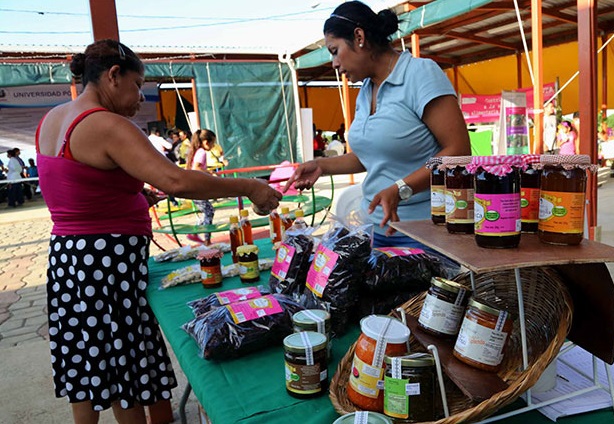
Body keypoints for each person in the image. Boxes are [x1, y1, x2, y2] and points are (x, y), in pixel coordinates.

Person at [35, 39, 281, 424]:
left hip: (70, 262)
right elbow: (176, 180)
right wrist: (250, 187)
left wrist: (133, 199)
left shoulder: (54, 118)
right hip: (106, 267)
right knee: (126, 372)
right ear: (114, 76)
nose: (139, 98)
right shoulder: (106, 123)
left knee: (87, 361)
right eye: (137, 85)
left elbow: (81, 189)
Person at [284, 1, 471, 249]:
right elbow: (370, 156)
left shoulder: (420, 74)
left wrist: (402, 188)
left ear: (359, 37)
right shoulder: (366, 89)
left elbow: (458, 152)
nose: (334, 64)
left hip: (425, 230)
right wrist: (321, 166)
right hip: (374, 227)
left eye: (334, 50)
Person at [185, 129, 218, 244]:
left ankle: (195, 232)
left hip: (193, 187)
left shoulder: (195, 151)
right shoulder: (201, 152)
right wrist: (208, 173)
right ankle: (206, 239)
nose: (213, 146)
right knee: (209, 211)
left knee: (207, 210)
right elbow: (196, 168)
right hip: (196, 187)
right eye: (212, 143)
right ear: (205, 142)